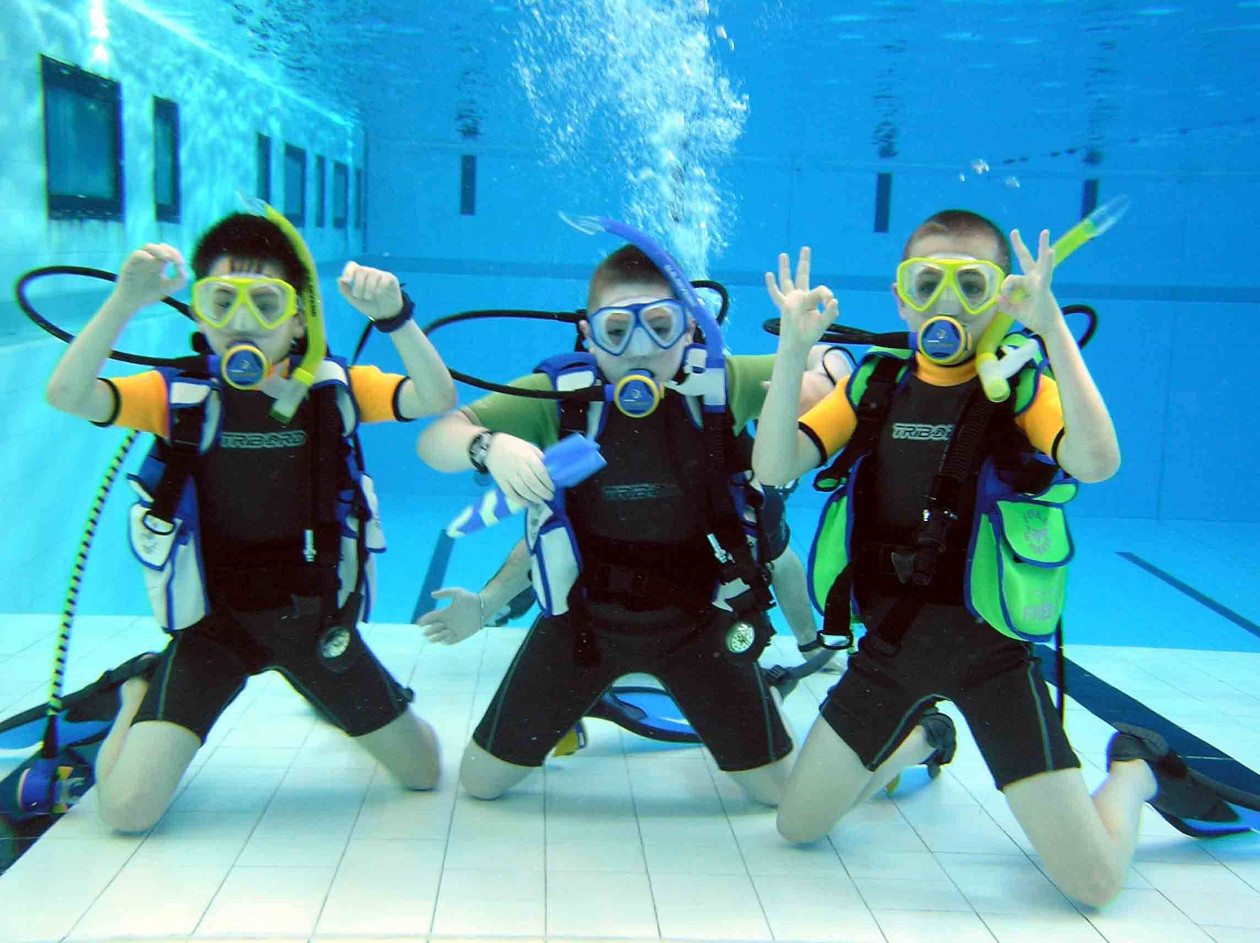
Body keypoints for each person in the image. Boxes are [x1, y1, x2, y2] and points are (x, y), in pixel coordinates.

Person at [753, 213, 1223, 907]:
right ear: (902, 297)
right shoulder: (875, 386)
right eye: (927, 283)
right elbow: (773, 464)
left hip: (992, 658)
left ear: (1001, 296)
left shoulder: (1021, 389)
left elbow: (1097, 461)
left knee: (1093, 884)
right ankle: (924, 738)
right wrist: (795, 350)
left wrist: (1050, 324)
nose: (947, 303)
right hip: (888, 651)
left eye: (971, 284)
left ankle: (1135, 766)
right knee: (797, 824)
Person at [44, 209, 455, 832]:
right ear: (199, 315)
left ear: (298, 320)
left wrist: (395, 319)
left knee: (423, 772)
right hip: (215, 628)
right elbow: (69, 394)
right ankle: (136, 690)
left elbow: (435, 397)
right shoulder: (178, 397)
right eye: (219, 302)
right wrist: (125, 301)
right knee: (126, 811)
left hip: (311, 621)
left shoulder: (330, 391)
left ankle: (326, 694)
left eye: (265, 302)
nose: (241, 323)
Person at [416, 236, 866, 804]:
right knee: (480, 784)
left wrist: (811, 351)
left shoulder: (719, 385)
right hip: (580, 627)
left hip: (698, 622)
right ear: (587, 334)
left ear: (689, 328)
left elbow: (831, 391)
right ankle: (593, 694)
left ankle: (693, 696)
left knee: (777, 792)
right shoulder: (561, 399)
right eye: (615, 331)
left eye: (659, 325)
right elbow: (435, 439)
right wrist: (488, 446)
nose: (639, 349)